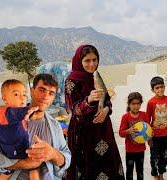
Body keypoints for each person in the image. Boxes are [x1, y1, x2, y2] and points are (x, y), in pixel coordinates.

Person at [65, 44, 124, 179]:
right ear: (79, 61)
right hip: (84, 133)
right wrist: (88, 100)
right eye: (87, 61)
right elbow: (72, 109)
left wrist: (106, 110)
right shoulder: (71, 80)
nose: (92, 64)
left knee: (107, 166)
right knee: (87, 168)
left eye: (95, 60)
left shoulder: (96, 75)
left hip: (103, 130)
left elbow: (107, 99)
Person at [0, 73, 71, 179]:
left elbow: (67, 158)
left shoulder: (55, 126)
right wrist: (24, 163)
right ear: (32, 91)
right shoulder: (8, 120)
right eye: (42, 90)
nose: (45, 96)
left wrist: (53, 154)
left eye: (51, 93)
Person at [0, 79, 39, 180]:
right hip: (16, 150)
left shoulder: (12, 113)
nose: (22, 98)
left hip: (13, 147)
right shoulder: (6, 113)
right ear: (4, 98)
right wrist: (31, 110)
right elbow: (17, 113)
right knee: (34, 167)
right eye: (16, 94)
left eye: (24, 94)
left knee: (6, 173)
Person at [146, 76, 167, 180]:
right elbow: (147, 120)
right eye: (157, 88)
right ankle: (155, 176)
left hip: (166, 135)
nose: (160, 89)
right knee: (154, 157)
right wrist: (148, 137)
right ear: (152, 89)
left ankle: (161, 176)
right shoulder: (150, 102)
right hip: (154, 136)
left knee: (163, 156)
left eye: (162, 87)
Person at [119, 92, 149, 180]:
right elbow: (121, 133)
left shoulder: (144, 115)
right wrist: (128, 131)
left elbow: (148, 129)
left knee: (140, 171)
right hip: (130, 150)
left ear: (141, 104)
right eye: (133, 104)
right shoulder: (125, 117)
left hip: (141, 150)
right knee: (129, 171)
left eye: (138, 104)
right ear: (129, 104)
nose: (136, 106)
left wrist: (150, 137)